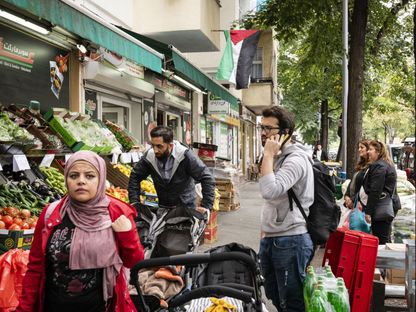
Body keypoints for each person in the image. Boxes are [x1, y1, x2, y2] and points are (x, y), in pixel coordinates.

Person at [17, 151, 144, 312]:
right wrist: (24, 307)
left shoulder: (117, 213)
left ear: (101, 180)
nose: (81, 181)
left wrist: (127, 235)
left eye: (90, 176)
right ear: (66, 180)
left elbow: (134, 262)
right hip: (53, 305)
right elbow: (35, 267)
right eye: (74, 176)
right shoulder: (51, 213)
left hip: (101, 306)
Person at [257, 106, 314, 312]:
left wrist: (268, 155)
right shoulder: (279, 157)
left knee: (292, 302)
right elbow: (273, 201)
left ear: (285, 131)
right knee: (273, 293)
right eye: (261, 127)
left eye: (269, 129)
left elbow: (269, 190)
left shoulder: (296, 160)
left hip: (291, 240)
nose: (263, 133)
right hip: (272, 237)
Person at [128, 126, 215, 212]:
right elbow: (135, 175)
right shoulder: (150, 156)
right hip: (163, 208)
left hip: (186, 210)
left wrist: (206, 207)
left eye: (159, 146)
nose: (155, 150)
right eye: (153, 146)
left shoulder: (185, 156)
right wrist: (135, 202)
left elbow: (207, 178)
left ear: (170, 145)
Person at [363, 140, 397, 245]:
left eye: (371, 149)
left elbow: (375, 190)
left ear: (378, 151)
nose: (368, 152)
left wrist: (368, 212)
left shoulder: (379, 166)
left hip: (381, 208)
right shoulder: (384, 164)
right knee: (383, 239)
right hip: (384, 207)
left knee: (381, 241)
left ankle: (382, 261)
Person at [344, 139, 370, 209]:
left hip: (360, 204)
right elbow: (353, 182)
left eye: (362, 147)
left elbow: (363, 187)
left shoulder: (371, 166)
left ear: (368, 149)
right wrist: (346, 196)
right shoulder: (361, 165)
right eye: (359, 147)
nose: (359, 149)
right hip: (353, 202)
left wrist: (352, 201)